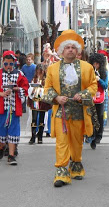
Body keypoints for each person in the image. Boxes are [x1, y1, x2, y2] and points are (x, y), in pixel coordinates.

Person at [42, 29, 97, 187]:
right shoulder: (52, 69)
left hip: (79, 111)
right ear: (61, 51)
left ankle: (76, 166)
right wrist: (57, 98)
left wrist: (84, 93)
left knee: (77, 141)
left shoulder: (87, 68)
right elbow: (47, 88)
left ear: (78, 50)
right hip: (61, 112)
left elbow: (94, 85)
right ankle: (61, 172)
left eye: (73, 47)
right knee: (62, 142)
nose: (71, 50)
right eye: (68, 47)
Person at [0, 51, 29, 165]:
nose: (8, 66)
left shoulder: (20, 74)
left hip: (14, 108)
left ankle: (11, 155)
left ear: (14, 63)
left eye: (11, 64)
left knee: (13, 129)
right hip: (1, 107)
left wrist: (17, 89)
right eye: (6, 64)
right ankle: (2, 144)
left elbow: (25, 88)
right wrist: (1, 94)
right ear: (3, 63)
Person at [27, 64, 52, 144]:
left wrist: (42, 89)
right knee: (34, 119)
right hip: (35, 100)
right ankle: (33, 136)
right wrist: (33, 90)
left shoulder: (46, 80)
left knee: (42, 119)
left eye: (40, 72)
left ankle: (40, 137)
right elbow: (30, 88)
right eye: (37, 71)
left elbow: (48, 89)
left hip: (42, 101)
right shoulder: (34, 79)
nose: (39, 73)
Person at [88, 53, 108, 149]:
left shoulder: (104, 72)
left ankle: (99, 135)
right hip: (91, 96)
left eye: (97, 64)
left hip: (100, 96)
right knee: (91, 116)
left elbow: (105, 86)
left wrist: (99, 79)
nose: (95, 66)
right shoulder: (89, 71)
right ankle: (91, 134)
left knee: (100, 117)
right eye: (94, 64)